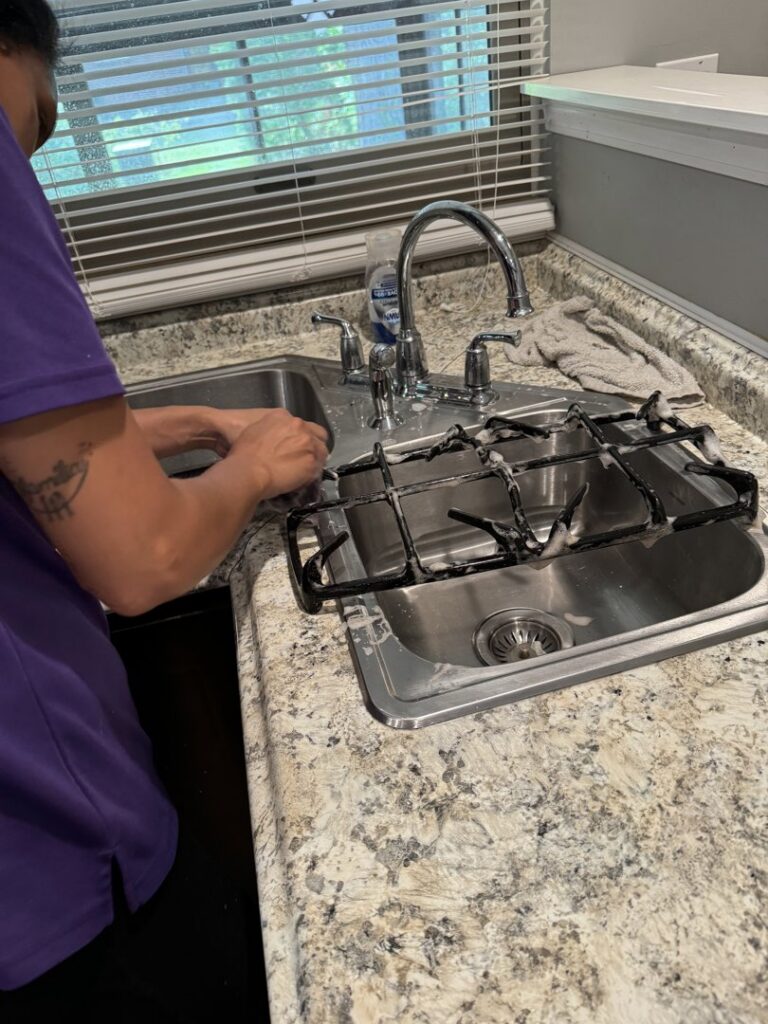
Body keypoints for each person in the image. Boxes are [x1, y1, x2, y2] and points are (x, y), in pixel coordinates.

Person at [0, 0, 328, 1018]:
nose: (31, 166)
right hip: (52, 863)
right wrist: (252, 472)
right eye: (37, 130)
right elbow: (141, 556)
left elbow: (32, 448)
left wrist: (193, 424)